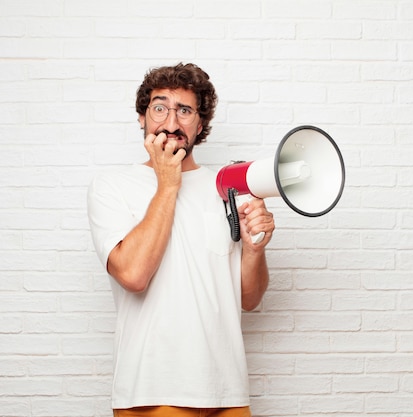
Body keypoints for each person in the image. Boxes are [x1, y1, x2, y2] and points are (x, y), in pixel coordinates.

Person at [87, 63, 275, 417]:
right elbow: (133, 275)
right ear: (142, 118)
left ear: (200, 125)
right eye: (159, 108)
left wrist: (253, 250)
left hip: (227, 392)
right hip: (153, 392)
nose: (171, 123)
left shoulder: (227, 188)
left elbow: (248, 299)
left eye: (185, 111)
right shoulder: (111, 186)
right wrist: (168, 183)